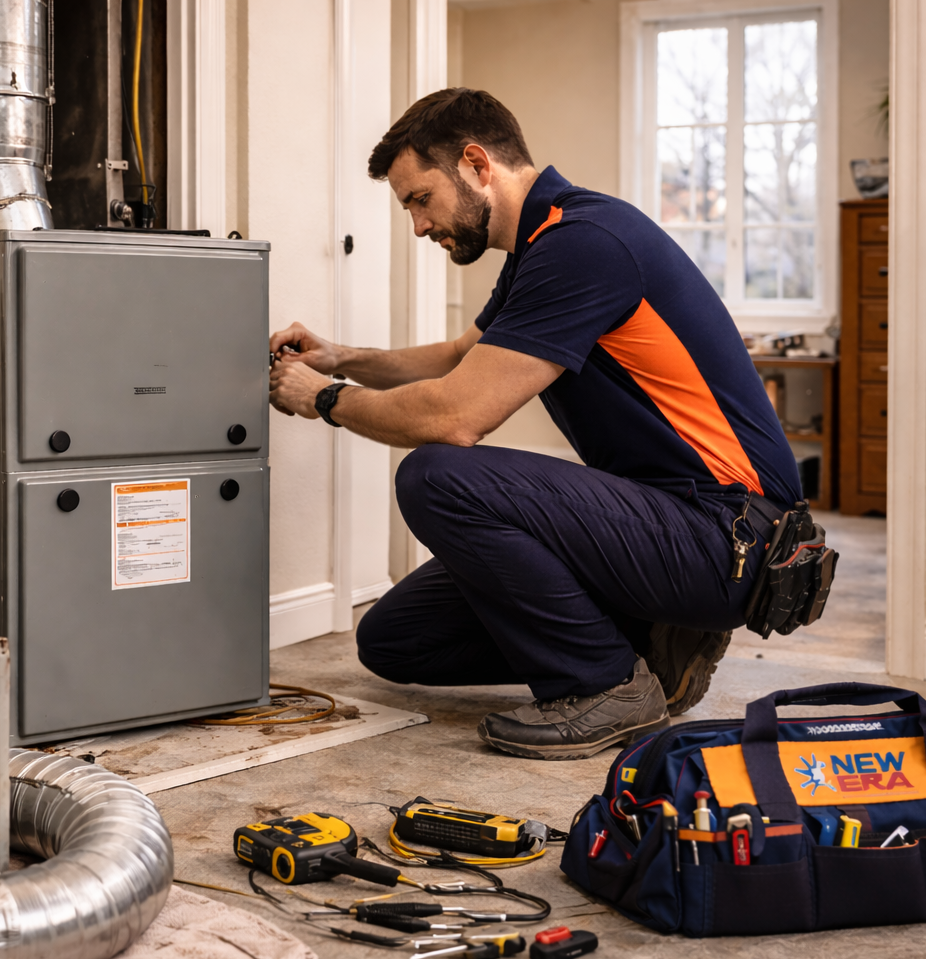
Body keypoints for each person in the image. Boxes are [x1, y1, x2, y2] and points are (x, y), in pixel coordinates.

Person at [268, 88, 801, 761]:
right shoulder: (540, 247)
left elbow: (456, 415)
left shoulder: (584, 245)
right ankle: (648, 641)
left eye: (419, 199)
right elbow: (460, 358)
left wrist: (322, 398)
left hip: (731, 533)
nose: (419, 226)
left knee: (438, 475)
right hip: (683, 519)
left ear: (474, 163)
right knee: (394, 639)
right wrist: (339, 357)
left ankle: (606, 685)